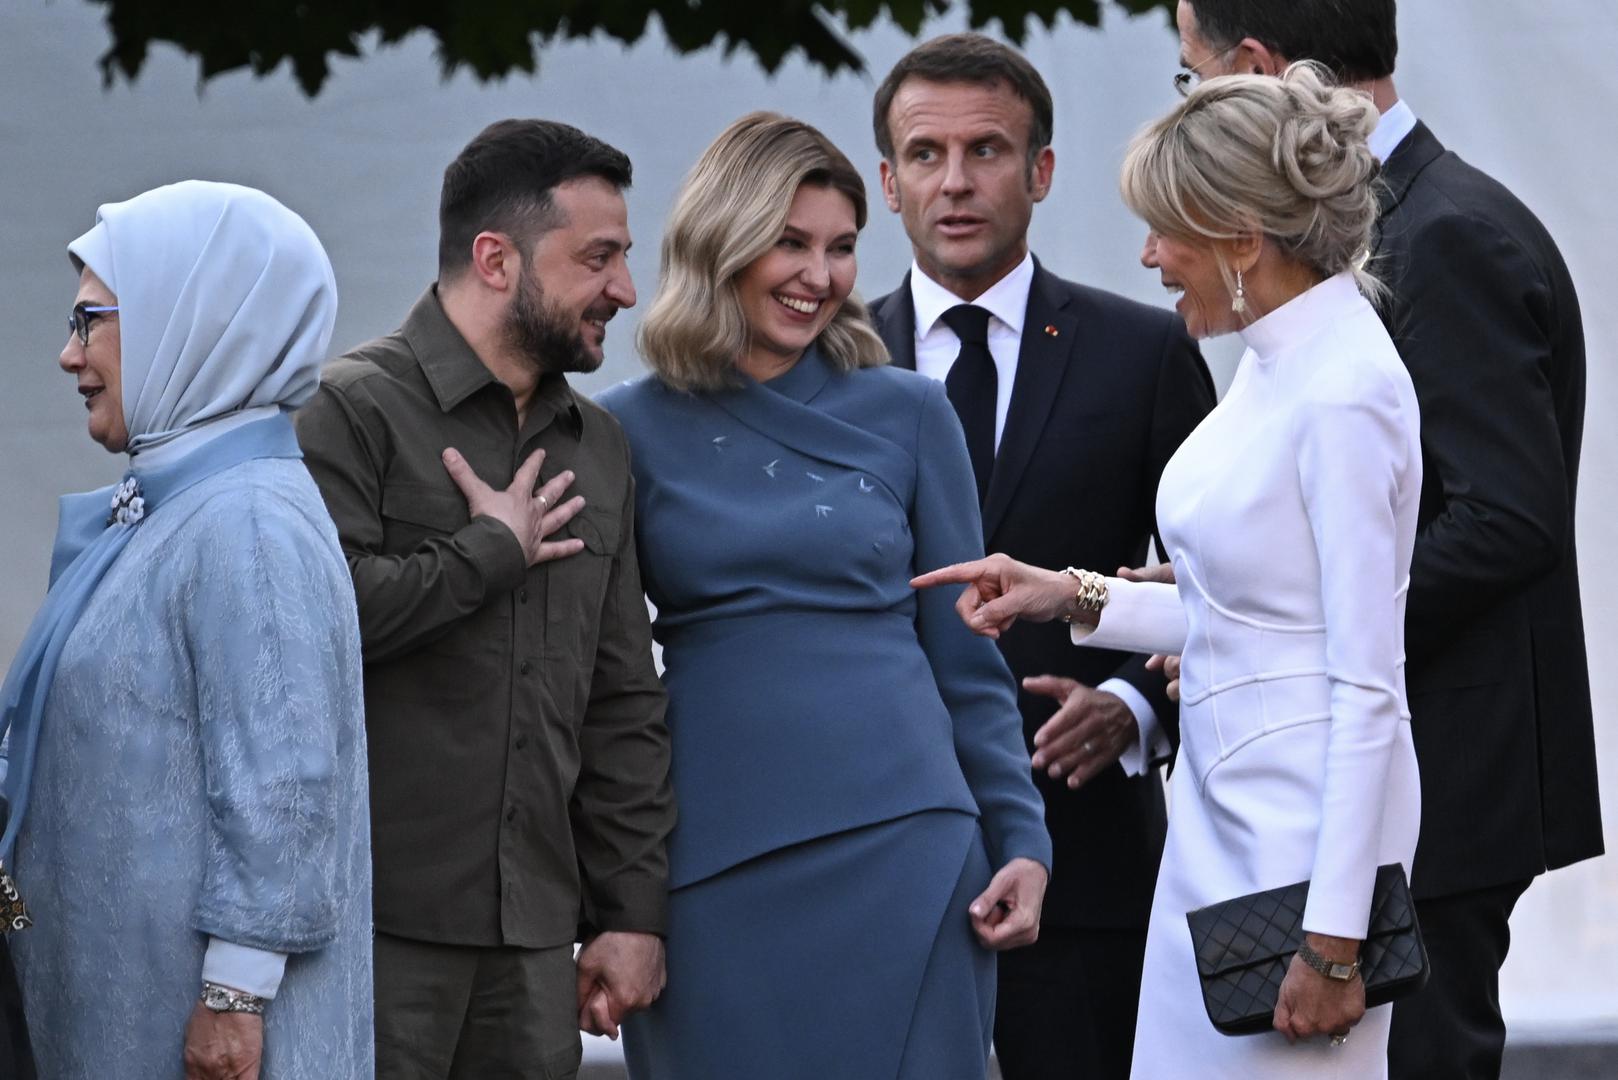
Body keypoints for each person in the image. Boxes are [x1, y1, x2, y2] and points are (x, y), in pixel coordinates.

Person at [917, 65, 1422, 1077]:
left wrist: (1333, 942)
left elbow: (1368, 684)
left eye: (1167, 229)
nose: (1147, 256)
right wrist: (1072, 595)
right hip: (1217, 828)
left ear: (1242, 236)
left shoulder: (1343, 392)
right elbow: (1253, 615)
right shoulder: (1281, 361)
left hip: (1299, 853)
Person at [1170, 4, 1603, 1076]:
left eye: (1193, 80)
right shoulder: (1399, 225)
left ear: (1260, 70)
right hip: (1394, 768)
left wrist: (1289, 626)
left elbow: (1506, 518)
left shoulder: (1439, 234)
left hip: (1438, 778)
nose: (1187, 104)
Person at [597, 111, 1051, 1080]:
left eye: (842, 248)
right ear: (722, 242)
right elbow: (598, 680)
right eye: (789, 243)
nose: (820, 275)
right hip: (709, 862)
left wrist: (1023, 838)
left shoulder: (911, 412)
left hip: (908, 848)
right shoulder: (622, 430)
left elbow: (967, 658)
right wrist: (611, 896)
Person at [865, 32, 1214, 1078]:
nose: (956, 182)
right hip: (876, 840)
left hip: (1088, 854)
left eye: (988, 151)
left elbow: (1222, 589)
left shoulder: (1145, 351)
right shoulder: (827, 362)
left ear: (1043, 171)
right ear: (887, 182)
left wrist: (1140, 713)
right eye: (925, 156)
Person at [295, 119, 674, 1078]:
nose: (624, 291)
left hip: (536, 947)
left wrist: (630, 912)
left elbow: (623, 696)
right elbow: (307, 632)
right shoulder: (348, 410)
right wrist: (487, 555)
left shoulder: (599, 446)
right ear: (496, 258)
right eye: (598, 259)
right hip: (372, 934)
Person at [1, 180, 373, 1078]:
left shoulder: (245, 524)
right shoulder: (187, 508)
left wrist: (233, 1002)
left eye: (89, 319)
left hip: (196, 1041)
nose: (67, 354)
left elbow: (284, 788)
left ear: (189, 314)